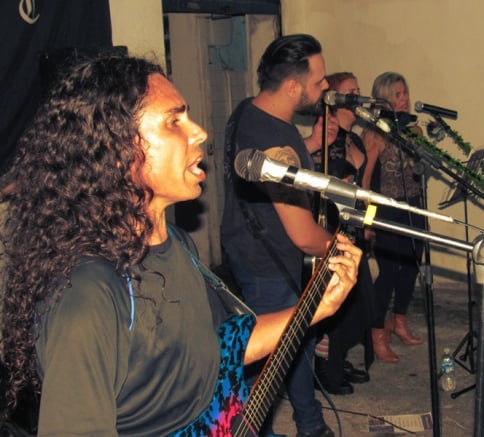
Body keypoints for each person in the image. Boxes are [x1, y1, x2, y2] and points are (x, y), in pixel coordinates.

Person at [0, 53, 362, 436]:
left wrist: (316, 307)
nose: (200, 132)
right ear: (116, 150)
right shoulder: (86, 294)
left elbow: (217, 350)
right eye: (174, 121)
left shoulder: (177, 244)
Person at [221, 34, 343, 437]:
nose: (324, 87)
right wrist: (341, 247)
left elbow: (271, 167)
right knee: (271, 358)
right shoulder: (278, 140)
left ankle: (310, 422)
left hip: (245, 247)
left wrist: (311, 144)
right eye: (319, 80)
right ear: (293, 86)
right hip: (270, 263)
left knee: (294, 342)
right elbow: (304, 234)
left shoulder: (248, 111)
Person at [307, 72, 376, 395]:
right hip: (331, 229)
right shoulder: (326, 139)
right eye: (351, 92)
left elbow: (365, 188)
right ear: (334, 101)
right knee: (335, 302)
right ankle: (326, 369)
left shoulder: (355, 140)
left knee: (359, 305)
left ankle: (337, 359)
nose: (358, 97)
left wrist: (368, 221)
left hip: (355, 227)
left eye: (358, 90)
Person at [361, 71, 425, 363]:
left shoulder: (415, 132)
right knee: (388, 272)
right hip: (386, 209)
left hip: (413, 207)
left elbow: (418, 175)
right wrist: (367, 219)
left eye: (405, 92)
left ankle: (398, 320)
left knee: (411, 267)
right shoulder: (374, 134)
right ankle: (376, 332)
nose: (404, 99)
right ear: (383, 99)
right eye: (397, 94)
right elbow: (365, 181)